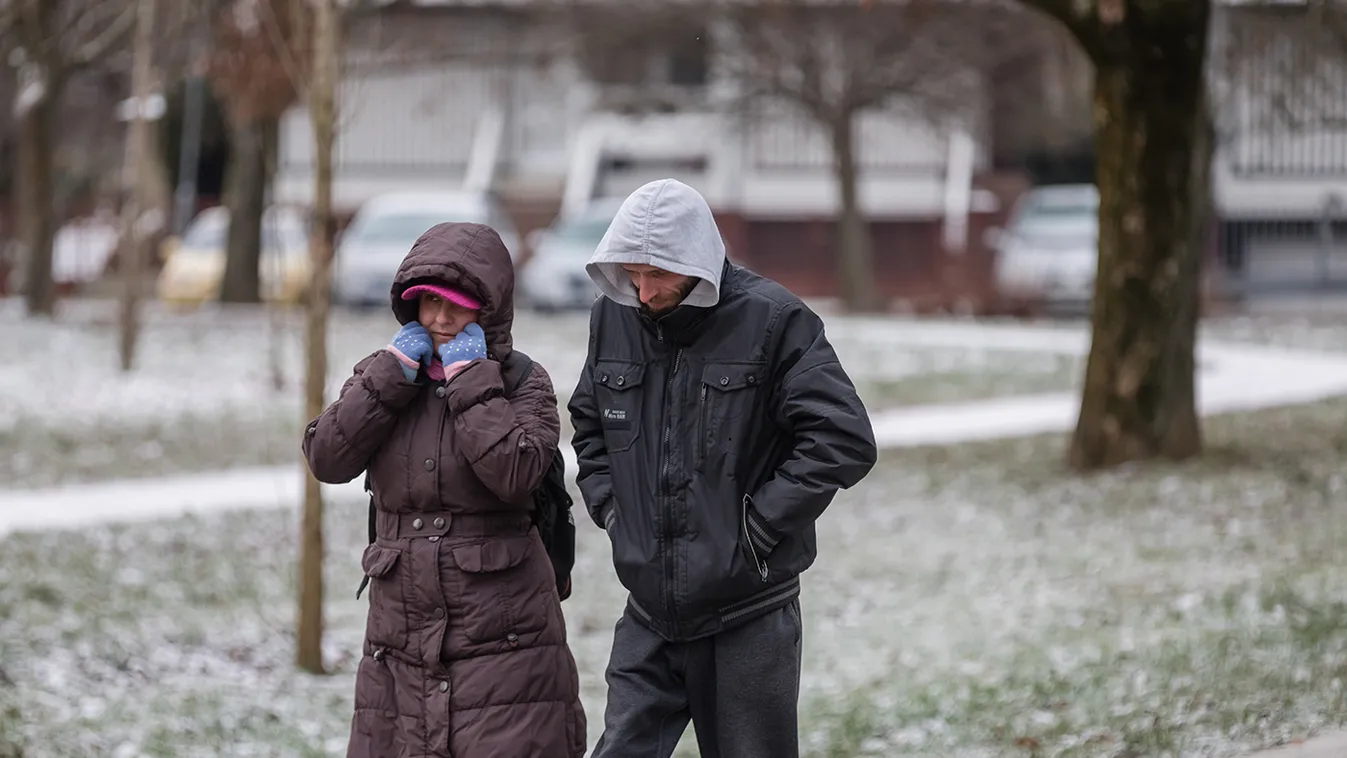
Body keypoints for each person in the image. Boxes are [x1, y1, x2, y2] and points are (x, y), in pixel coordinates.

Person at [568, 178, 879, 758]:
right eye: (632, 272)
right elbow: (589, 424)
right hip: (649, 613)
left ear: (696, 262)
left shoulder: (775, 320)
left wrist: (758, 529)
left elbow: (843, 437)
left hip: (749, 615)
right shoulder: (611, 320)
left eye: (658, 273)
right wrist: (614, 510)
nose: (643, 289)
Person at [303, 222, 586, 758]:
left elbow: (517, 474)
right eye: (428, 302)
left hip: (504, 639)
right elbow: (327, 458)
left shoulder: (523, 382)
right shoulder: (381, 374)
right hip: (400, 637)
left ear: (490, 310)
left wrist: (470, 379)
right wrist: (389, 376)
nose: (439, 318)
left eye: (456, 305)